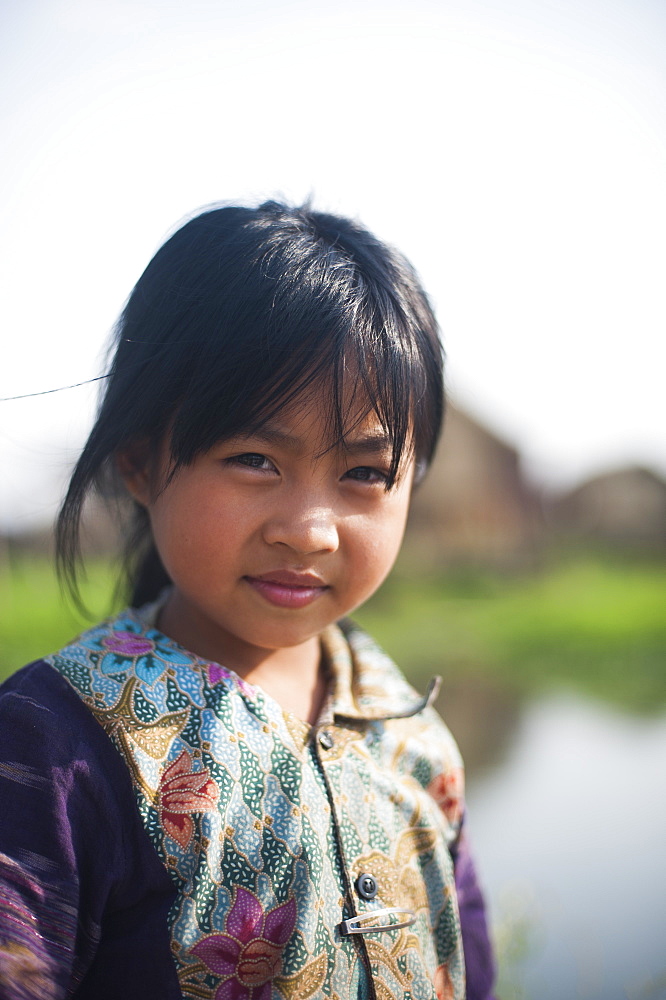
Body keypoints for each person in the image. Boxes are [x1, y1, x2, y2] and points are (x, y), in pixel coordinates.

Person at [0, 201, 495, 1000]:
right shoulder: (56, 743)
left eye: (365, 474)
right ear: (137, 462)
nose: (309, 532)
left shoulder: (415, 739)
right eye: (255, 458)